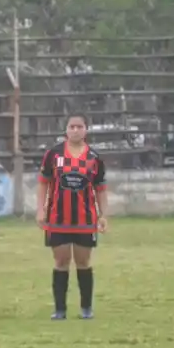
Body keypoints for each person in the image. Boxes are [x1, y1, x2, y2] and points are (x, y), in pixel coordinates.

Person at [37, 114, 108, 320]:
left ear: (86, 129)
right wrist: (40, 209)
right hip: (58, 219)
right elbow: (43, 182)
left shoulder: (94, 158)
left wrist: (103, 215)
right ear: (66, 130)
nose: (75, 130)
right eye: (71, 127)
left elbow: (101, 189)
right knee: (61, 261)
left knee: (83, 262)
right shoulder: (53, 154)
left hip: (85, 219)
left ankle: (86, 308)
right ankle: (60, 310)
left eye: (79, 126)